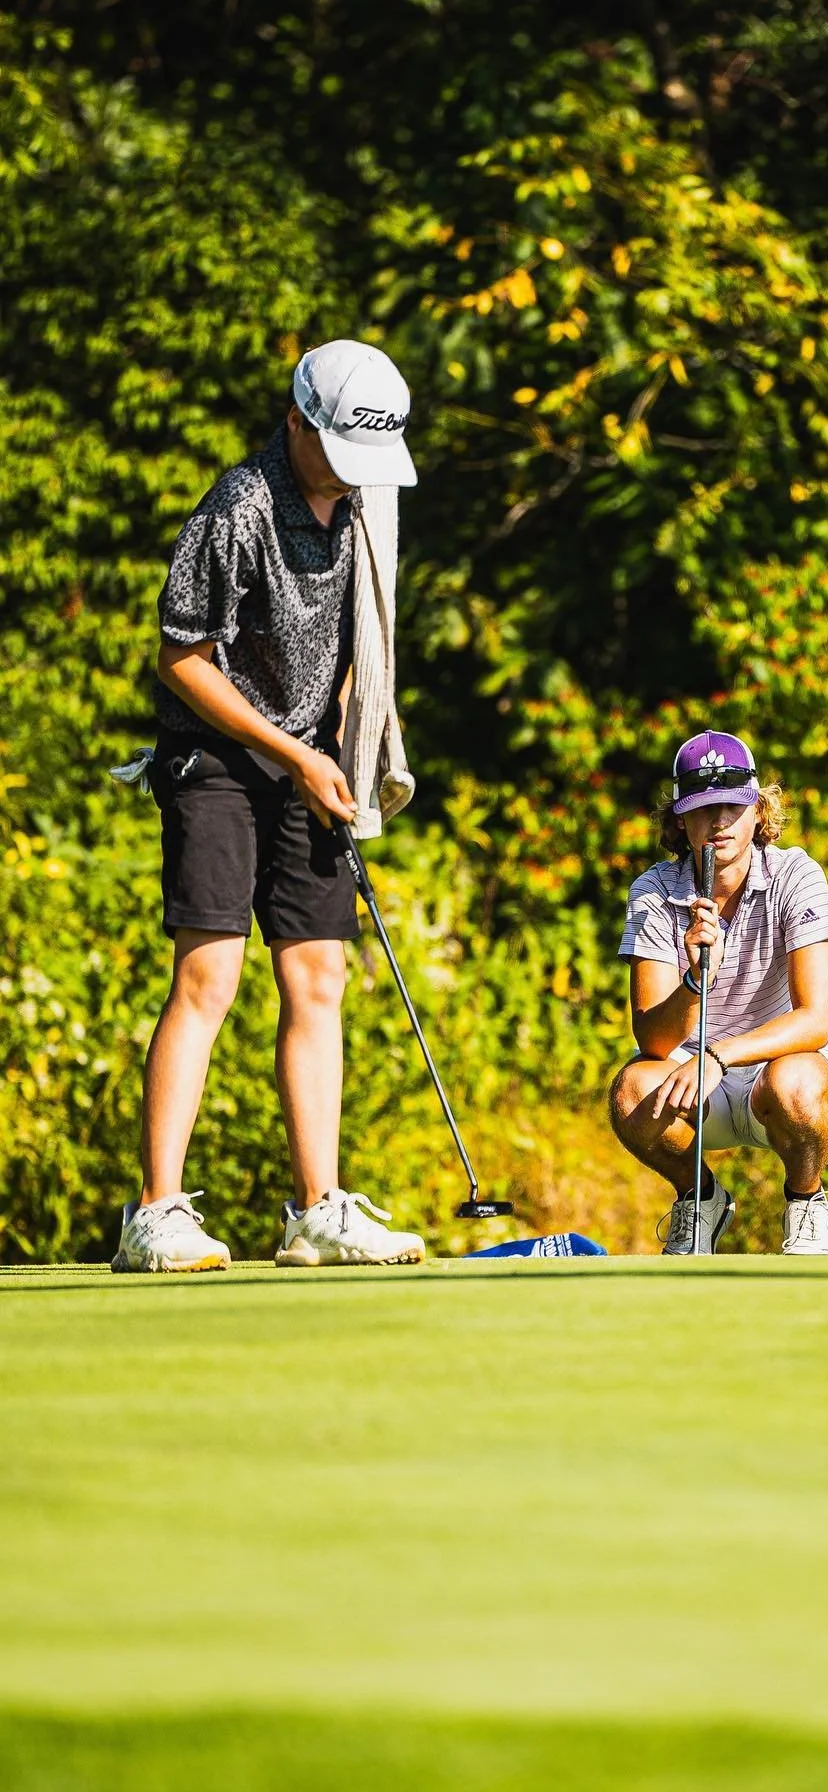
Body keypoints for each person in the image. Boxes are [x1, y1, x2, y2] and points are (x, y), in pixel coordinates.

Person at [112, 340, 426, 1272]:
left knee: (318, 979)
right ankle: (155, 1213)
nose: (350, 474)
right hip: (214, 758)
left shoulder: (365, 501)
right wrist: (291, 754)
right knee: (209, 977)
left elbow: (350, 645)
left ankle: (316, 1210)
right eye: (334, 450)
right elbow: (179, 656)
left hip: (306, 764)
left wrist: (333, 752)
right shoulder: (238, 507)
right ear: (296, 421)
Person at [609, 731, 828, 1255]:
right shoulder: (653, 891)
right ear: (678, 820)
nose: (718, 823)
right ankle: (701, 1199)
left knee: (800, 1086)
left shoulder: (796, 874)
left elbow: (816, 1019)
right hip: (691, 1082)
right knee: (630, 1093)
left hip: (777, 1068)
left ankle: (805, 1200)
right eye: (701, 809)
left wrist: (719, 1054)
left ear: (758, 810)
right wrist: (697, 979)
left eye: (731, 806)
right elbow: (651, 1038)